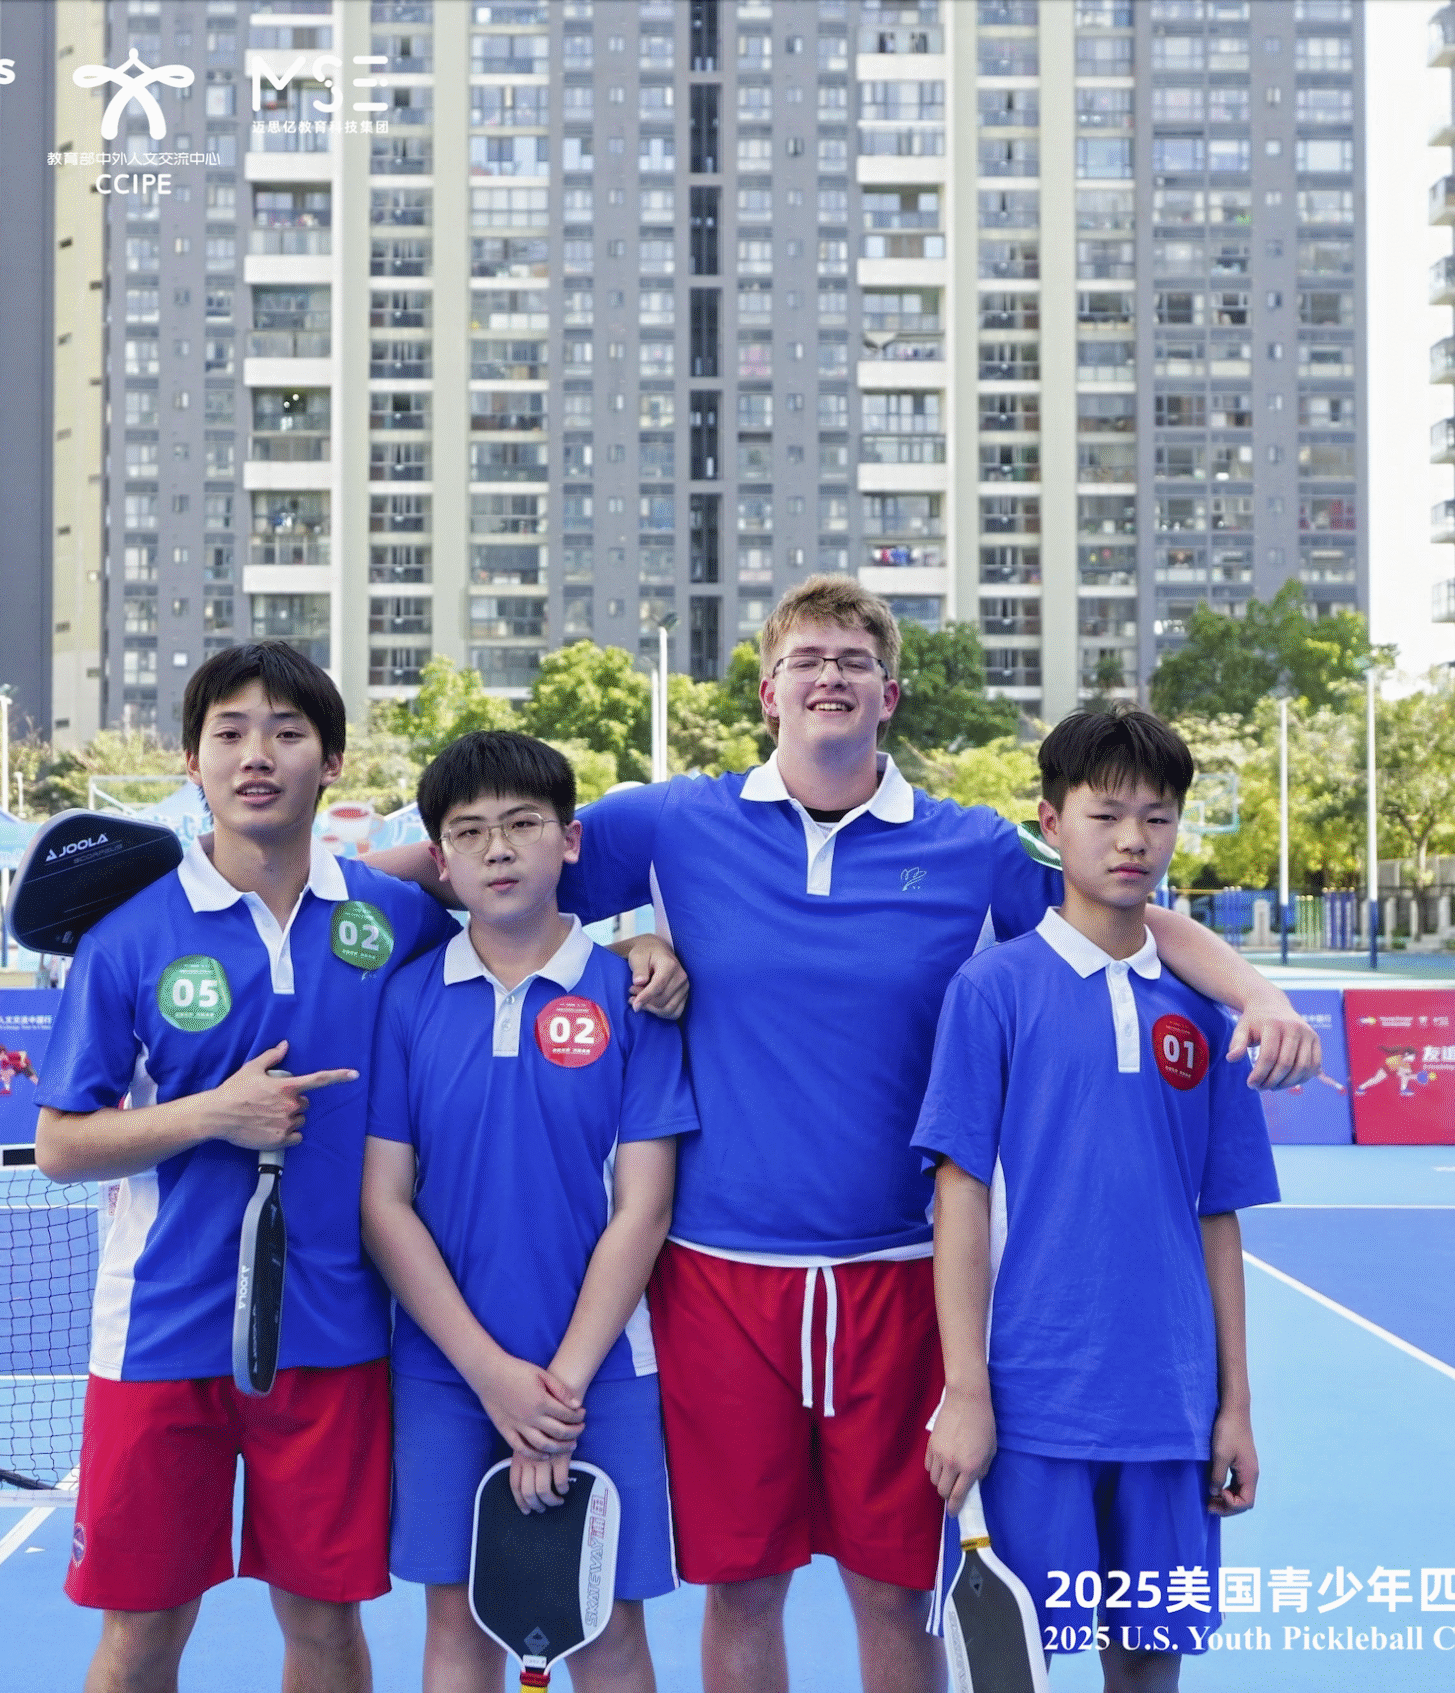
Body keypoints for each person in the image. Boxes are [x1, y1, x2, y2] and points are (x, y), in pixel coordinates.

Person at [368, 578, 1318, 1693]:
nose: (830, 675)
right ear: (767, 691)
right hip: (721, 1276)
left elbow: (1121, 900)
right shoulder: (674, 823)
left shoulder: (966, 847)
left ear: (889, 694)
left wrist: (1255, 991)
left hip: (897, 1277)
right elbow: (470, 869)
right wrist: (605, 947)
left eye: (854, 660)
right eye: (807, 658)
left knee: (892, 1586)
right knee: (745, 1585)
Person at [31, 642, 684, 1693]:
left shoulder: (392, 920)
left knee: (327, 1627)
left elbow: (492, 892)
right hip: (159, 1330)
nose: (257, 755)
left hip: (335, 1336)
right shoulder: (129, 937)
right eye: (229, 734)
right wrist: (214, 1114)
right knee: (142, 1632)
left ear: (330, 762)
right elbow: (61, 1143)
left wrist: (636, 945)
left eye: (286, 733)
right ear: (191, 762)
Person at [917, 706, 1278, 1692]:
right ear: (1049, 820)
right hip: (1035, 1403)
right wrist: (966, 1389)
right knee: (1014, 1667)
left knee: (1148, 1663)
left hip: (1169, 1403)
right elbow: (960, 1196)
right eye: (1106, 813)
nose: (1131, 840)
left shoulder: (1203, 1013)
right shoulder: (991, 991)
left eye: (1156, 818)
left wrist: (1234, 1404)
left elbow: (1216, 1215)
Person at [362, 731, 694, 1693]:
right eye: (469, 832)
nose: (498, 849)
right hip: (442, 1370)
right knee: (456, 1633)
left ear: (571, 841)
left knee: (606, 1630)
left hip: (604, 1372)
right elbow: (385, 1204)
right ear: (441, 862)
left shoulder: (635, 996)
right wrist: (491, 1376)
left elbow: (646, 1205)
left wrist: (557, 1393)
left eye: (521, 825)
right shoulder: (408, 1000)